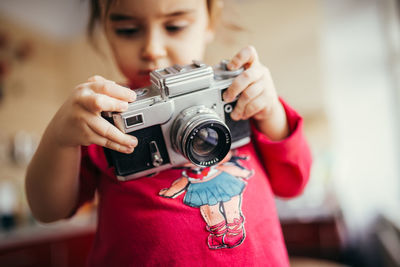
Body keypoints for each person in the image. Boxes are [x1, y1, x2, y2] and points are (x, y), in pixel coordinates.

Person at [25, 0, 312, 266]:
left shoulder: (243, 97)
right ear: (105, 29)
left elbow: (294, 183)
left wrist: (272, 114)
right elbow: (48, 210)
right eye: (128, 30)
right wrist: (59, 139)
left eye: (174, 26)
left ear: (209, 21)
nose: (152, 48)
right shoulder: (107, 117)